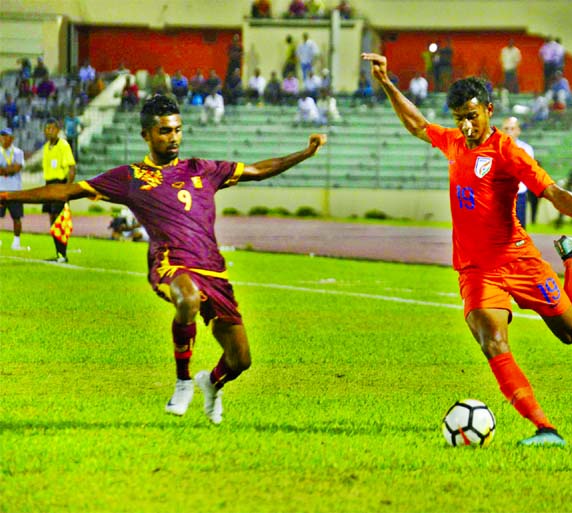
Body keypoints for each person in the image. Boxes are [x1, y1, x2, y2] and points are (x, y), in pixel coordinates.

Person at [0, 94, 327, 425]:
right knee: (186, 298)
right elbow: (67, 192)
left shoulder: (203, 169)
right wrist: (8, 195)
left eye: (177, 130)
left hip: (213, 270)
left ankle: (210, 384)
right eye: (164, 131)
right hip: (170, 263)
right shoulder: (131, 177)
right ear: (146, 135)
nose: (173, 138)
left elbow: (257, 170)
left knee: (240, 360)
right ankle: (183, 381)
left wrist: (306, 152)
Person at [362, 52, 572, 446]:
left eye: (472, 116)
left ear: (488, 110)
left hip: (520, 260)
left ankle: (570, 257)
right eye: (459, 118)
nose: (465, 126)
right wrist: (386, 82)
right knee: (493, 341)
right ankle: (545, 428)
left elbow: (550, 191)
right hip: (478, 270)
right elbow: (417, 124)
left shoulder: (507, 152)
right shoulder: (453, 143)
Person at [41, 118, 76, 263]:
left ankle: (63, 254)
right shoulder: (46, 148)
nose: (50, 131)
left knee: (59, 219)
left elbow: (72, 168)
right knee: (51, 219)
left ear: (58, 130)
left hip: (59, 185)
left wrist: (67, 188)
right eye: (47, 128)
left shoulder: (63, 145)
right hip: (49, 185)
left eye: (52, 128)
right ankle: (59, 254)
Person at [500, 116, 533, 228]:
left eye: (512, 128)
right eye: (506, 128)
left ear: (518, 130)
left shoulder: (526, 149)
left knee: (519, 229)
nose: (509, 131)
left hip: (518, 195)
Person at [0, 128, 25, 250]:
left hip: (15, 191)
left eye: (7, 136)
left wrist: (4, 170)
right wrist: (9, 169)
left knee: (17, 217)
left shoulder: (18, 152)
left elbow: (17, 168)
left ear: (12, 138)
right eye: (2, 136)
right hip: (0, 190)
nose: (4, 139)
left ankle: (16, 242)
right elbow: (12, 168)